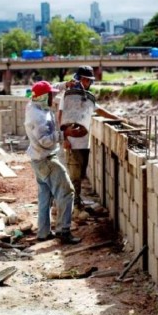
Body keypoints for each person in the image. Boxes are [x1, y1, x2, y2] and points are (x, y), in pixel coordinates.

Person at [24, 80, 85, 244]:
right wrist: (65, 134)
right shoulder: (38, 117)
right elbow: (45, 141)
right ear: (44, 97)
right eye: (50, 95)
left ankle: (43, 232)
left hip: (37, 160)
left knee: (45, 197)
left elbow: (51, 88)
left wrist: (66, 84)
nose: (53, 96)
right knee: (67, 192)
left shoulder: (34, 103)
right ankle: (63, 231)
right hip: (46, 160)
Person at [58, 66, 122, 210]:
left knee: (80, 174)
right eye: (85, 80)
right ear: (79, 79)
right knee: (74, 175)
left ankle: (76, 202)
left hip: (84, 142)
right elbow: (60, 117)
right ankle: (72, 207)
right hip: (72, 142)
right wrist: (65, 138)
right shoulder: (68, 96)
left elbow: (99, 110)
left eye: (89, 80)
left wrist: (117, 118)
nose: (87, 83)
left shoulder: (86, 97)